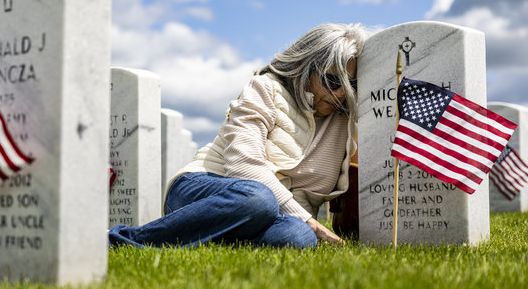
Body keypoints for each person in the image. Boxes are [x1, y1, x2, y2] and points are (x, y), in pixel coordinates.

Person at [109, 23, 366, 248]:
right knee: (258, 199)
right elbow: (243, 164)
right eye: (333, 82)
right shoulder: (265, 88)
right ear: (304, 68)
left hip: (276, 215)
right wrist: (310, 220)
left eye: (350, 85)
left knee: (297, 237)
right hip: (206, 189)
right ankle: (122, 240)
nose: (342, 94)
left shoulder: (345, 120)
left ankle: (199, 235)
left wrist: (305, 223)